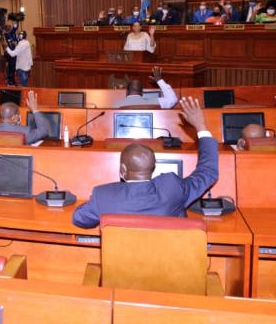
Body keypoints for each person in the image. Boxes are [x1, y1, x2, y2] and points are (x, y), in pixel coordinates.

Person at [72, 97, 218, 228]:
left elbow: (78, 218)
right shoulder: (172, 189)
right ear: (153, 168)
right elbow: (208, 172)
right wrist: (201, 126)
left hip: (122, 258)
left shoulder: (103, 196)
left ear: (122, 169)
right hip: (167, 258)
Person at [113, 67, 178, 109]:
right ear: (142, 93)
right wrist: (159, 80)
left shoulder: (116, 105)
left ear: (127, 92)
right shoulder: (154, 103)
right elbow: (172, 99)